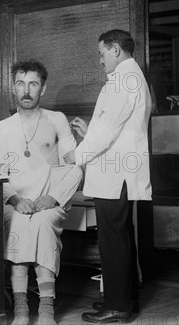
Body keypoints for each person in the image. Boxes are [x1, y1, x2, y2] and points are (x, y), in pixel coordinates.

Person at [64, 29, 151, 323]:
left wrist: (77, 155)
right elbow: (118, 128)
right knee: (121, 237)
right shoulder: (132, 76)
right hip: (119, 171)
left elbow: (108, 129)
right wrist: (91, 132)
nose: (100, 60)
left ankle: (118, 306)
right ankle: (124, 300)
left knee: (113, 240)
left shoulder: (123, 79)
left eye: (102, 53)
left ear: (115, 49)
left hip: (115, 175)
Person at [0, 60, 83, 325]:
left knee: (42, 225)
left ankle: (46, 309)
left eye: (33, 83)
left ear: (43, 88)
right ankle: (21, 309)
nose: (27, 90)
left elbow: (75, 165)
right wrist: (16, 199)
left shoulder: (56, 120)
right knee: (18, 224)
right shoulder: (3, 127)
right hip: (15, 201)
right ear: (13, 88)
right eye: (21, 84)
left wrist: (52, 198)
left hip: (48, 200)